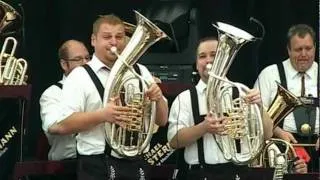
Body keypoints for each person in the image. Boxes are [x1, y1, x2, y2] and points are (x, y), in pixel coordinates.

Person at [167, 36, 306, 180]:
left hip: (238, 173)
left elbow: (267, 134)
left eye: (214, 55)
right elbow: (174, 141)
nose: (208, 60)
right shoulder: (184, 98)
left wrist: (259, 107)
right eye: (202, 56)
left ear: (225, 60)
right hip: (199, 174)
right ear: (196, 64)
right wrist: (204, 128)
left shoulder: (242, 92)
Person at [48, 14, 168, 180]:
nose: (114, 42)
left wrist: (158, 98)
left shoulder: (140, 71)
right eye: (107, 37)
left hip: (137, 162)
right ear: (93, 40)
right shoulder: (79, 76)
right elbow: (62, 126)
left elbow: (162, 121)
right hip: (96, 165)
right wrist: (103, 115)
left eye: (119, 37)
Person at [254, 24, 319, 172]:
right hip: (282, 149)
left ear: (315, 47)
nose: (304, 54)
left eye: (308, 48)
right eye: (298, 49)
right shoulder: (269, 74)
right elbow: (255, 113)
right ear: (288, 50)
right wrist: (278, 132)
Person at [40, 39, 90, 161]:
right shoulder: (53, 93)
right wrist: (100, 116)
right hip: (67, 165)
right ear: (64, 64)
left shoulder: (97, 87)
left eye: (88, 58)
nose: (86, 63)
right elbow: (53, 127)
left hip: (97, 163)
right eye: (78, 59)